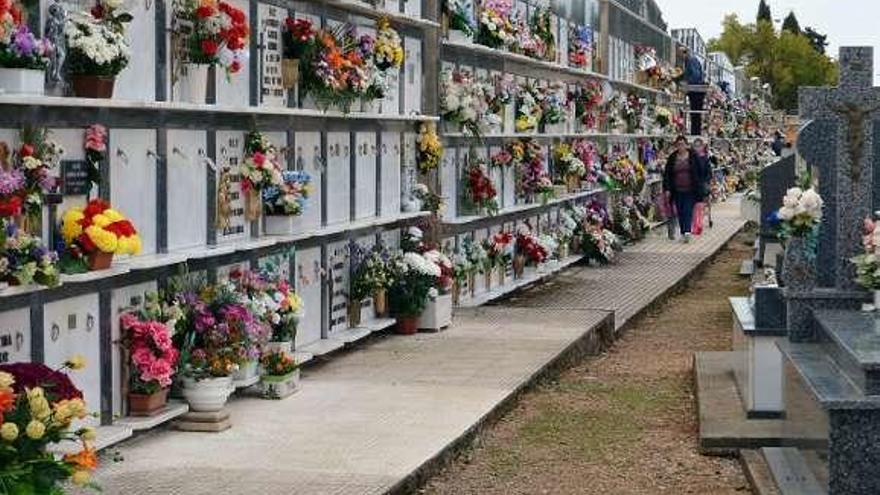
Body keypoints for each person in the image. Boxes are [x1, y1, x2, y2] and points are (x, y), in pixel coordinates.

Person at [663, 136, 703, 243]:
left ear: (686, 144)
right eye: (678, 144)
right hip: (676, 189)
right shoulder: (672, 157)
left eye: (682, 144)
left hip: (690, 188)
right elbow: (667, 174)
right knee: (680, 211)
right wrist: (667, 188)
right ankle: (682, 231)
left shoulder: (693, 156)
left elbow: (700, 170)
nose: (680, 146)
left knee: (687, 210)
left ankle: (687, 232)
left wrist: (701, 185)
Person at [680, 47, 705, 136]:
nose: (681, 56)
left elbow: (695, 76)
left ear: (685, 53)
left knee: (695, 114)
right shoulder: (689, 61)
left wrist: (687, 83)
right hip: (695, 90)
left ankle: (695, 133)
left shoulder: (691, 60)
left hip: (696, 90)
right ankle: (695, 132)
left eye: (681, 54)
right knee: (694, 114)